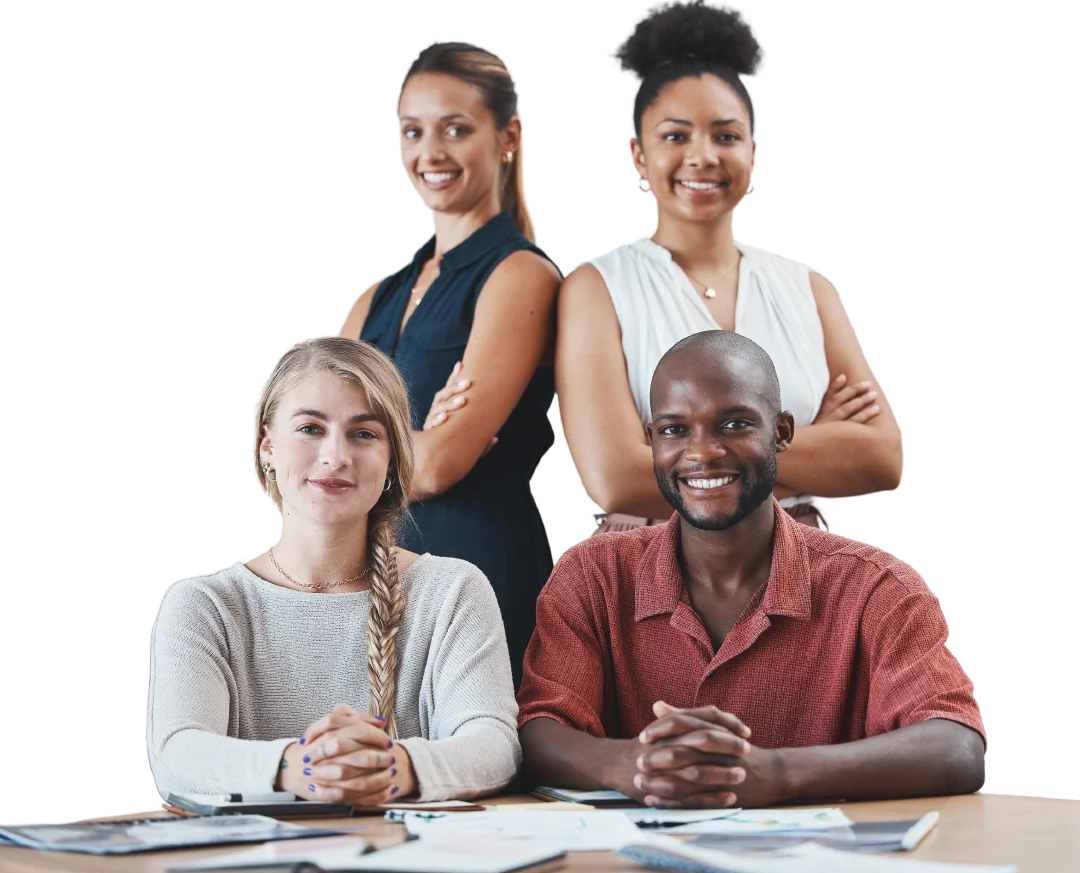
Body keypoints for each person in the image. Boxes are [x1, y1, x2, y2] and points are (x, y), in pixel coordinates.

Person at [516, 330, 984, 808]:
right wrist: (630, 765)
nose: (703, 452)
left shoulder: (876, 587)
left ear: (781, 432)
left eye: (735, 424)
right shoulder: (593, 575)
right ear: (651, 439)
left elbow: (957, 747)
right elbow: (540, 731)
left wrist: (774, 771)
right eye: (674, 429)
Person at [551, 0, 905, 533]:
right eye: (675, 136)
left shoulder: (806, 286)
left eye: (726, 135)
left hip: (805, 559)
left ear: (753, 151)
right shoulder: (596, 286)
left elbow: (881, 459)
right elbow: (616, 476)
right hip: (650, 565)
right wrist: (815, 446)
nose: (703, 156)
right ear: (638, 154)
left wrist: (681, 457)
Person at [146, 336, 521, 805]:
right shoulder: (204, 606)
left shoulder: (452, 591)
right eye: (310, 428)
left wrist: (394, 768)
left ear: (391, 461)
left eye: (364, 433)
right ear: (266, 446)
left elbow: (495, 745)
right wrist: (298, 767)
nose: (336, 456)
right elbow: (176, 754)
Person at [337, 40, 562, 687]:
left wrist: (365, 436)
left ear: (509, 135)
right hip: (367, 574)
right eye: (413, 131)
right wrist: (412, 439)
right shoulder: (379, 294)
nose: (429, 153)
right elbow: (294, 441)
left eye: (455, 129)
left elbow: (437, 467)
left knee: (473, 771)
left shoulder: (521, 275)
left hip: (475, 564)